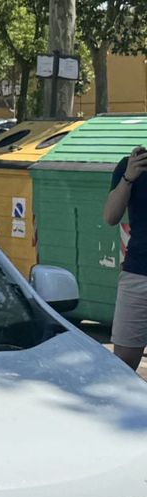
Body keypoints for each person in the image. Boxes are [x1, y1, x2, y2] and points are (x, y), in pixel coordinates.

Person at [105, 145, 147, 369]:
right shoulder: (130, 166)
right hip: (138, 274)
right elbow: (111, 216)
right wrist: (128, 179)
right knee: (123, 364)